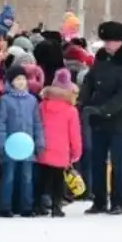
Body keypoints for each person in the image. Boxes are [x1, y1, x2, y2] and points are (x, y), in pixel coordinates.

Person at [77, 21, 122, 215]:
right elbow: (89, 82)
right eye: (105, 41)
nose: (107, 45)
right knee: (97, 161)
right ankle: (99, 200)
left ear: (120, 41)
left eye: (111, 41)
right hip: (98, 117)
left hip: (118, 118)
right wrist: (84, 102)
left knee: (118, 162)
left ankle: (118, 201)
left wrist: (106, 109)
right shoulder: (100, 59)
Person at [0, 64, 44, 217]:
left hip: (28, 146)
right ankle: (5, 206)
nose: (21, 82)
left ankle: (26, 207)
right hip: (11, 145)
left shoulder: (32, 100)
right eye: (17, 79)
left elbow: (37, 122)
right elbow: (0, 123)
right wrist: (1, 144)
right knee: (8, 176)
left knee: (27, 177)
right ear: (11, 82)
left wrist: (39, 141)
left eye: (23, 79)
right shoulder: (5, 100)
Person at [38, 70, 82, 217]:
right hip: (61, 151)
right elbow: (74, 134)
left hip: (43, 148)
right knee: (58, 180)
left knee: (43, 178)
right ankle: (56, 207)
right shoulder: (71, 110)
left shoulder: (42, 105)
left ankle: (40, 205)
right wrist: (76, 152)